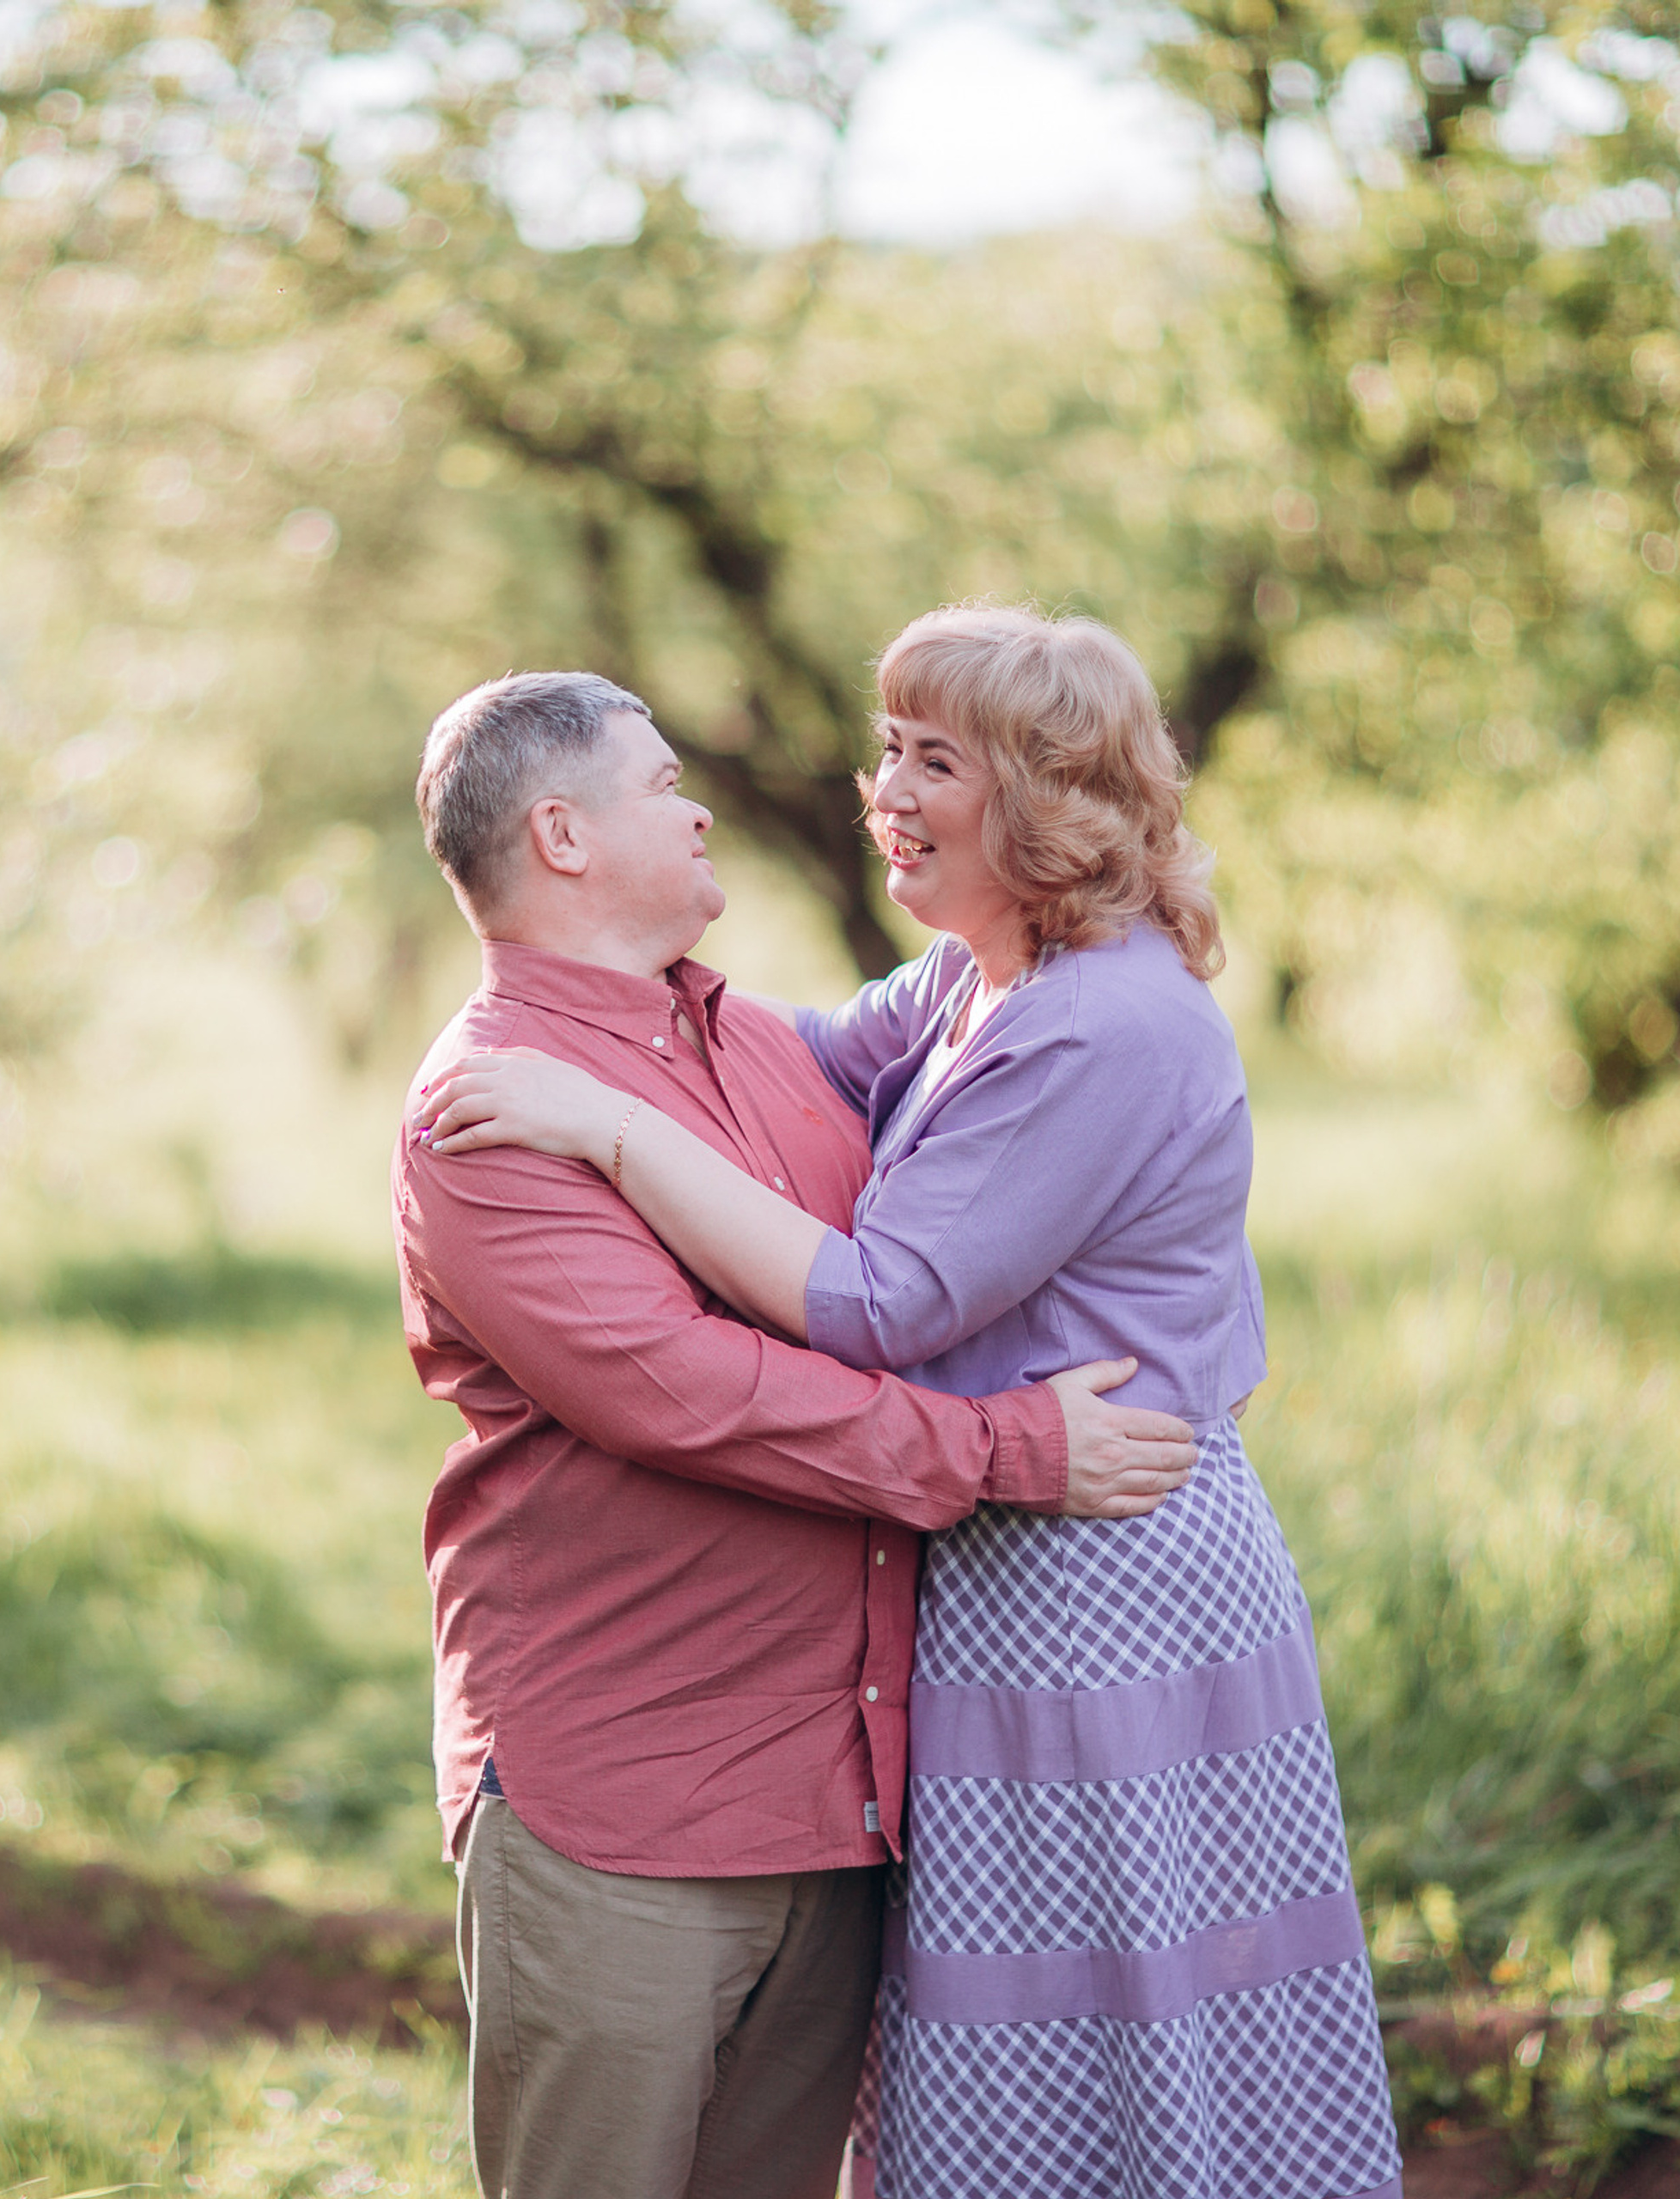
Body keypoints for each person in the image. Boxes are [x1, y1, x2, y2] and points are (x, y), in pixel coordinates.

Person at [414, 610, 1404, 2199]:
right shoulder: (964, 988)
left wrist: (612, 1127)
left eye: (932, 758)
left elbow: (883, 1303)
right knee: (1041, 2043)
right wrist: (614, 1058)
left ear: (1042, 798)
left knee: (1130, 2027)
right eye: (893, 748)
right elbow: (763, 1166)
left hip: (1099, 1567)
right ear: (564, 837)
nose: (879, 788)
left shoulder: (1096, 1022)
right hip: (987, 1565)